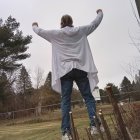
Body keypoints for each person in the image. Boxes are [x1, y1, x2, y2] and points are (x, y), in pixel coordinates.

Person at [32, 9, 103, 140]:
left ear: (61, 23)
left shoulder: (55, 34)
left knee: (65, 101)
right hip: (80, 68)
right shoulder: (81, 31)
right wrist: (100, 12)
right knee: (88, 97)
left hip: (65, 71)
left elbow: (40, 32)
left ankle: (66, 133)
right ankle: (94, 126)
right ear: (71, 22)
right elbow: (95, 23)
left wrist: (34, 25)